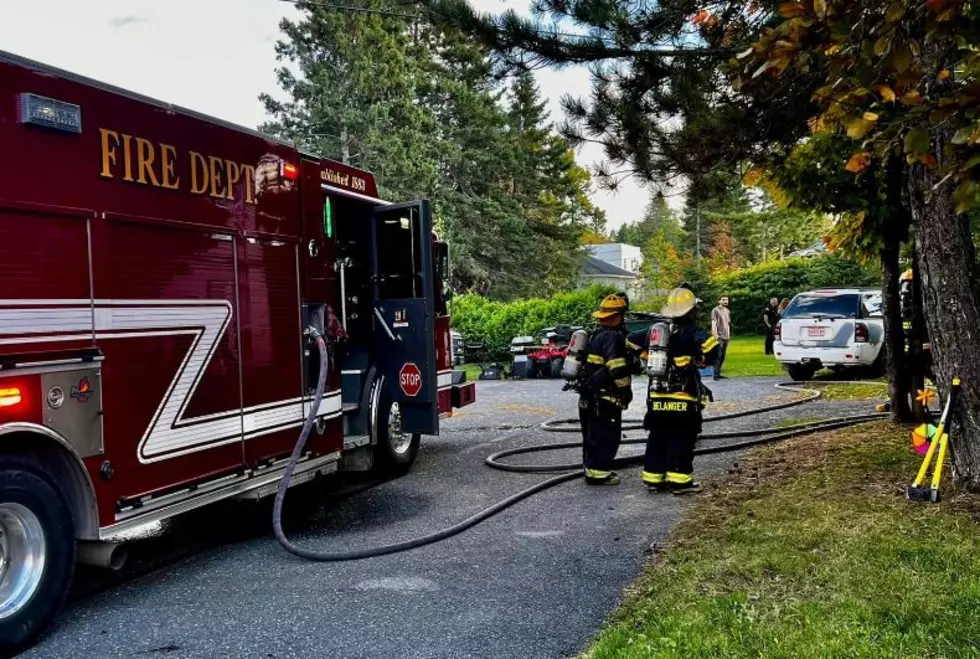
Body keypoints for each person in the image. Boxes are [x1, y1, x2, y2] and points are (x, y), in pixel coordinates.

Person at [640, 285, 720, 494]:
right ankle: (679, 482)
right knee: (681, 438)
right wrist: (702, 360)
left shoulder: (656, 332)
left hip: (657, 397)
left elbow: (631, 341)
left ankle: (653, 479)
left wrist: (645, 357)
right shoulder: (693, 332)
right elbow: (712, 348)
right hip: (683, 398)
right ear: (691, 311)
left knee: (657, 437)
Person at [578, 293, 634, 485]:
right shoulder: (613, 337)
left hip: (588, 395)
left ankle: (591, 469)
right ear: (618, 316)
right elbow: (616, 367)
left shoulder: (597, 334)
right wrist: (625, 391)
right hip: (605, 397)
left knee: (591, 435)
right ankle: (599, 474)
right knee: (606, 435)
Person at [710, 296, 731, 380]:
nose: (726, 301)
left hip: (726, 337)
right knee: (718, 356)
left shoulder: (727, 311)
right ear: (719, 301)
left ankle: (718, 374)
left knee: (723, 356)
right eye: (723, 300)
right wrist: (715, 335)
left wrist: (728, 336)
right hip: (719, 336)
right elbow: (713, 322)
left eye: (727, 300)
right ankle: (715, 376)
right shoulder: (715, 310)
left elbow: (728, 324)